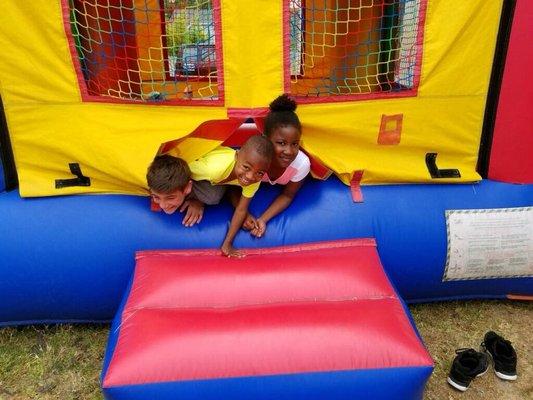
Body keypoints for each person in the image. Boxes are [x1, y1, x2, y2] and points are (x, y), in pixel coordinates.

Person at [188, 135, 273, 257]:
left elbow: (241, 209)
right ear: (237, 156)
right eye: (246, 167)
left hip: (216, 181)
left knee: (213, 196)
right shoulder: (214, 169)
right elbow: (183, 169)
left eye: (260, 173)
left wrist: (227, 244)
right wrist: (193, 199)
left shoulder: (255, 179)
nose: (250, 176)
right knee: (209, 196)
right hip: (193, 168)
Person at [244, 94, 310, 238]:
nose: (289, 151)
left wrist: (263, 219)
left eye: (295, 144)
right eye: (281, 143)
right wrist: (244, 213)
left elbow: (288, 194)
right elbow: (234, 188)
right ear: (266, 139)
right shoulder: (254, 158)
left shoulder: (301, 164)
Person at [146, 154, 204, 227]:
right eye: (156, 197)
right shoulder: (147, 182)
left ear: (187, 188)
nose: (163, 205)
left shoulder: (210, 194)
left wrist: (199, 201)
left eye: (170, 198)